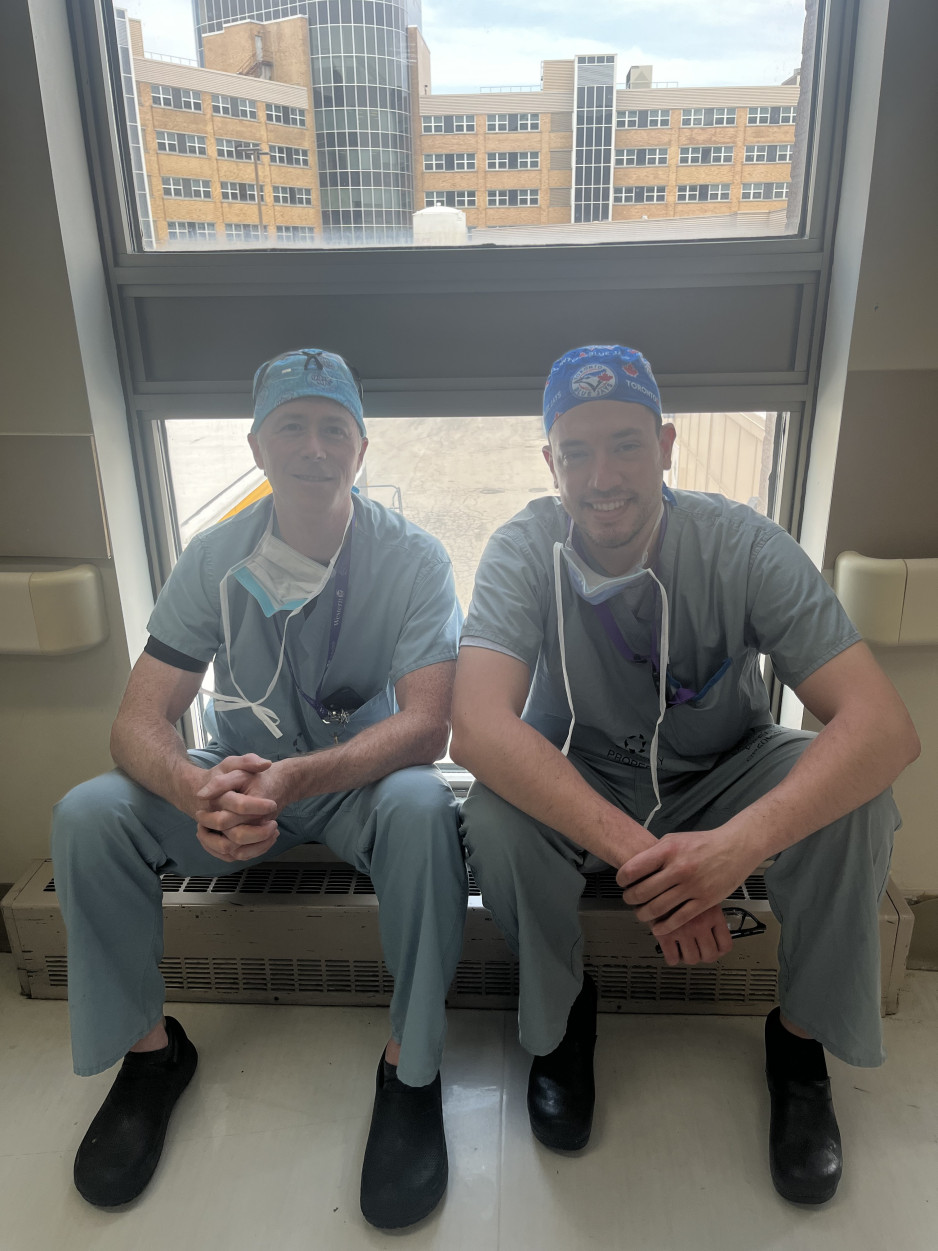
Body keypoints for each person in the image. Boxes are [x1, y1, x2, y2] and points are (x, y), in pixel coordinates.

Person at [450, 344, 919, 1204]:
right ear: (549, 461)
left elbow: (884, 728)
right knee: (493, 818)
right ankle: (559, 1027)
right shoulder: (523, 550)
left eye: (626, 444)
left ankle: (799, 1044)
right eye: (578, 451)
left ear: (666, 446)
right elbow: (476, 727)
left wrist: (735, 849)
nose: (603, 477)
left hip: (728, 768)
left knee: (858, 792)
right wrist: (661, 873)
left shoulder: (741, 543)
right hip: (585, 778)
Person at [51, 348, 467, 1229]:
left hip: (355, 782)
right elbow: (138, 719)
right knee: (89, 814)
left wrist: (300, 776)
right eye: (291, 427)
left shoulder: (414, 560)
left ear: (362, 448)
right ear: (256, 445)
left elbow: (429, 726)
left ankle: (413, 1068)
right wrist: (196, 786)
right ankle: (150, 1054)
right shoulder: (213, 559)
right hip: (234, 785)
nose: (313, 447)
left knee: (428, 805)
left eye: (332, 429)